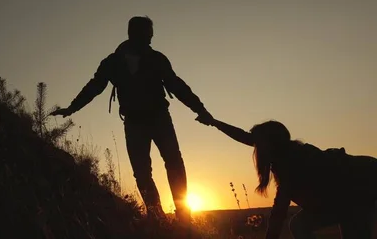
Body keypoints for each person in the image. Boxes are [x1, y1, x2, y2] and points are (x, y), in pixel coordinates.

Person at [50, 16, 213, 221]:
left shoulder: (155, 59)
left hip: (159, 118)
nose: (150, 38)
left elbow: (176, 85)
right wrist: (73, 107)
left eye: (150, 34)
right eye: (147, 33)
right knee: (143, 171)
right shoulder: (113, 62)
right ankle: (157, 217)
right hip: (136, 122)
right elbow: (95, 86)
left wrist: (200, 109)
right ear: (136, 33)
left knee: (172, 163)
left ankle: (182, 216)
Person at [199, 117, 377, 239]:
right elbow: (247, 137)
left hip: (359, 191)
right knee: (299, 224)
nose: (256, 150)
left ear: (269, 145)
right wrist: (215, 123)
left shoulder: (292, 164)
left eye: (259, 144)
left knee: (308, 224)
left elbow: (279, 212)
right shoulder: (288, 153)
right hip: (348, 195)